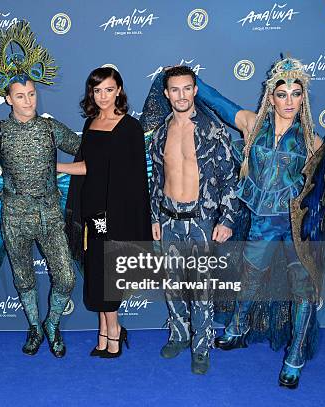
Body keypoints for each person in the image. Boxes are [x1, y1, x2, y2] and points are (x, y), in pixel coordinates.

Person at [196, 57, 325, 389]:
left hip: (298, 229)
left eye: (295, 94)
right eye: (281, 94)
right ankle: (238, 329)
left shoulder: (314, 141)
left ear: (303, 98)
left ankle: (294, 358)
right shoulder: (252, 125)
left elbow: (320, 196)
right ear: (271, 96)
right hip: (261, 222)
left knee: (304, 292)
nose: (288, 102)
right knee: (250, 277)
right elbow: (218, 103)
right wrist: (185, 76)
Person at [0, 21, 81, 358]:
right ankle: (35, 327)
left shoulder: (51, 128)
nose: (28, 100)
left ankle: (53, 323)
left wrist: (113, 131)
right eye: (20, 96)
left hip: (50, 213)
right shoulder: (0, 132)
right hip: (14, 216)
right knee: (23, 278)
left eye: (32, 94)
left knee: (65, 278)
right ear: (8, 99)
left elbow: (85, 147)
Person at [142, 66, 240, 374]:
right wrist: (155, 216)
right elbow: (156, 179)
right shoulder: (160, 133)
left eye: (187, 88)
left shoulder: (213, 130)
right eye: (175, 89)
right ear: (167, 93)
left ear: (195, 90)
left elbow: (229, 178)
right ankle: (180, 336)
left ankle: (201, 347)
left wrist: (226, 220)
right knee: (172, 285)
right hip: (169, 218)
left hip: (201, 220)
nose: (181, 95)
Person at [60, 67, 151, 358]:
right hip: (91, 209)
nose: (103, 96)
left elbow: (135, 180)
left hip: (115, 214)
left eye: (108, 90)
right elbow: (88, 167)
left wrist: (121, 218)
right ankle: (108, 329)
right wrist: (55, 168)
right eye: (97, 90)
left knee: (107, 276)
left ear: (119, 91)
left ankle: (112, 333)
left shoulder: (130, 127)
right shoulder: (90, 124)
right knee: (97, 273)